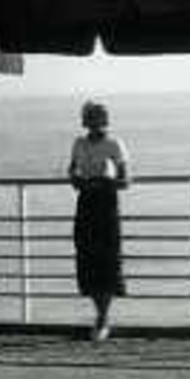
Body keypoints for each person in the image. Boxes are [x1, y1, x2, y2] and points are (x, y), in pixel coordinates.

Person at [68, 100, 129, 340]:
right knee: (87, 256)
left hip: (105, 204)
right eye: (90, 118)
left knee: (108, 259)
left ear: (104, 120)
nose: (93, 122)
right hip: (86, 203)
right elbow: (71, 169)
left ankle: (103, 318)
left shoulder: (115, 144)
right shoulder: (78, 143)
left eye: (97, 118)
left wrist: (104, 181)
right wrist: (76, 179)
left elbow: (126, 180)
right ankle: (100, 315)